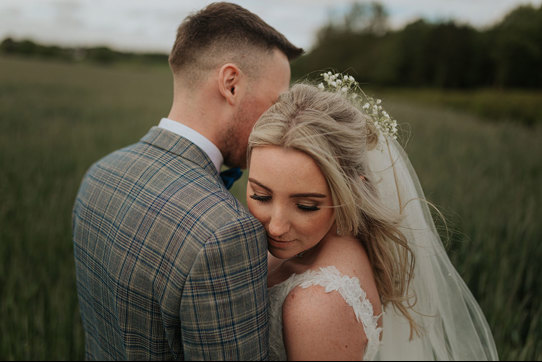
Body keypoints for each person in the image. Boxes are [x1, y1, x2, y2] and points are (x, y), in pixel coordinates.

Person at [72, 2, 302, 360]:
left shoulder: (99, 173)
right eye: (276, 102)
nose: (279, 120)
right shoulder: (227, 234)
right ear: (231, 84)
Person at [245, 76, 499, 360]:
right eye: (261, 196)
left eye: (305, 206)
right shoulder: (331, 240)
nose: (276, 227)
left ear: (351, 193)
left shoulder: (319, 305)